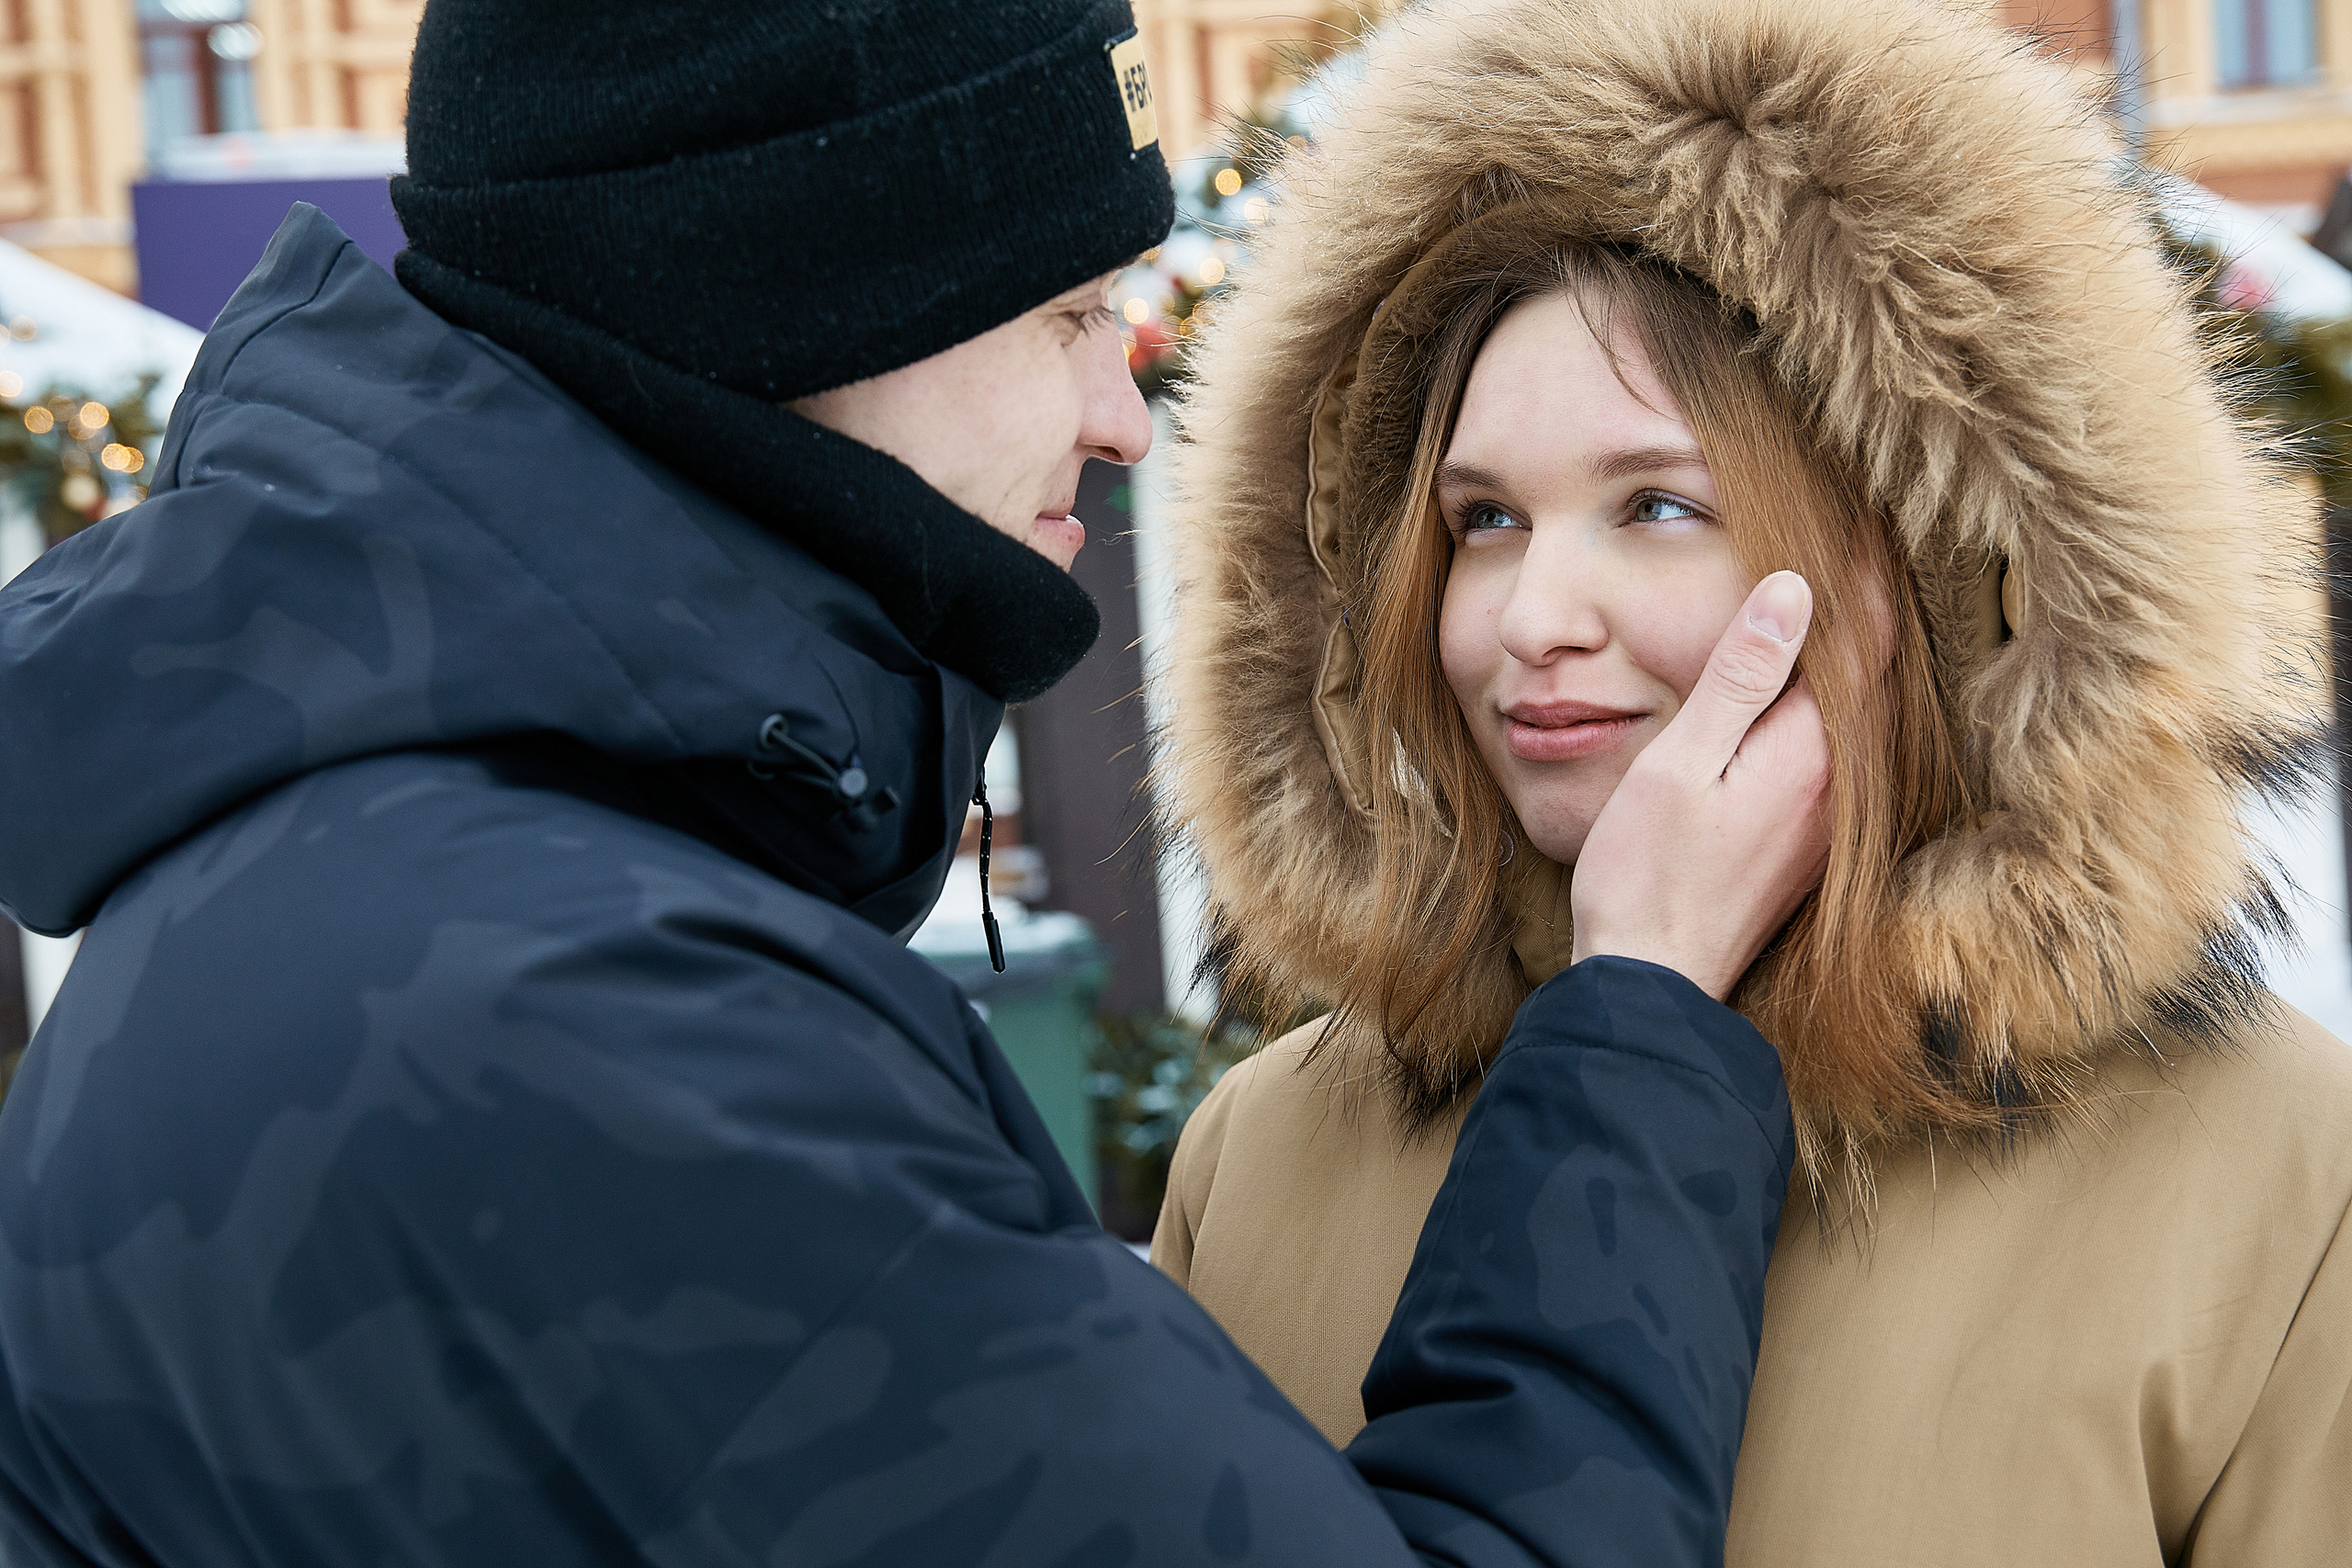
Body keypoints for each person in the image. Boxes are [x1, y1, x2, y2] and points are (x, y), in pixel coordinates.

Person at [0, 2, 1830, 1563]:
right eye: (1063, 310)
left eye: (1651, 499)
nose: (1122, 411)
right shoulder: (607, 1036)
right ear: (801, 305)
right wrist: (1647, 1007)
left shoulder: (381, 869)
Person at [1152, 0, 2352, 1562]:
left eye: (1657, 505)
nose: (1530, 620)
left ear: (1921, 572)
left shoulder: (2272, 1170)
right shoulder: (1264, 1157)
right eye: (1483, 522)